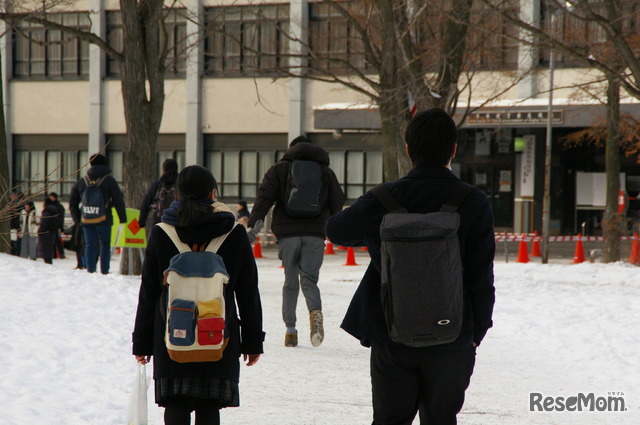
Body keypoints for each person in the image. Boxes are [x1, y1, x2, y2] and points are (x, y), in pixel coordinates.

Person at [325, 108, 495, 425]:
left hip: (391, 331)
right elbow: (481, 274)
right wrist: (478, 330)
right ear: (453, 150)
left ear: (408, 150)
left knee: (390, 419)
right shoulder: (473, 201)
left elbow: (335, 231)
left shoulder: (382, 199)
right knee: (441, 419)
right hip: (454, 333)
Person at [132, 165, 264, 425]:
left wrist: (142, 343)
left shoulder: (162, 233)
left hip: (171, 336)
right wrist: (252, 341)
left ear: (177, 196)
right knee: (209, 407)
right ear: (213, 193)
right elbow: (248, 292)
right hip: (218, 334)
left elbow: (148, 292)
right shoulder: (234, 233)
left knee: (175, 404)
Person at [247, 136, 345, 348]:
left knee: (290, 283)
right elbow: (338, 199)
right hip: (315, 234)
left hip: (287, 233)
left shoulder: (280, 169)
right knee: (309, 280)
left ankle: (290, 331)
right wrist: (327, 221)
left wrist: (254, 225)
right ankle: (315, 312)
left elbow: (265, 198)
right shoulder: (325, 171)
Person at [68, 153, 127, 274]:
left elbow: (72, 201)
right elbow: (118, 200)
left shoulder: (83, 181)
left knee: (89, 244)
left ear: (90, 164)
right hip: (104, 219)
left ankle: (90, 270)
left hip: (87, 219)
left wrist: (77, 219)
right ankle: (104, 271)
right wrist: (122, 218)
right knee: (105, 244)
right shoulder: (109, 180)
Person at [139, 158, 179, 231]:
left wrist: (142, 222)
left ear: (163, 170)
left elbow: (146, 203)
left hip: (159, 222)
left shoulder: (157, 185)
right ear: (177, 170)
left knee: (156, 241)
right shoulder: (180, 186)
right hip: (176, 223)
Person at [37, 197, 60, 264]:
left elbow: (44, 223)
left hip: (46, 233)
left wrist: (40, 231)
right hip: (52, 233)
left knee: (45, 250)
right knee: (49, 249)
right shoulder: (54, 211)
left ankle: (47, 263)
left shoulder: (47, 212)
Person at [48, 192, 66, 259]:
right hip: (55, 225)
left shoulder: (57, 206)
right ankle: (56, 254)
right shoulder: (55, 205)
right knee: (55, 240)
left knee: (56, 240)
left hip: (56, 225)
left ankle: (59, 253)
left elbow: (61, 217)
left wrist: (61, 226)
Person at [9, 191, 24, 255]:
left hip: (14, 224)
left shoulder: (14, 204)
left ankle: (15, 253)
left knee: (14, 241)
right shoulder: (22, 203)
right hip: (18, 224)